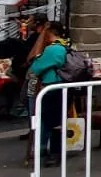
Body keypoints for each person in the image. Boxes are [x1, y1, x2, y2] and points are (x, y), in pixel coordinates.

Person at [27, 22, 73, 166]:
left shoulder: (53, 49)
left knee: (50, 121)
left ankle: (52, 152)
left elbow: (36, 67)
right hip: (62, 87)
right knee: (57, 121)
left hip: (52, 87)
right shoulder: (66, 46)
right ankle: (53, 151)